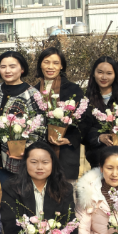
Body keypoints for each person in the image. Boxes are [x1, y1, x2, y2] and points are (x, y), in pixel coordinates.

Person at [0, 51, 46, 186]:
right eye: (3, 67)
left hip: (20, 159)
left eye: (12, 66)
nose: (7, 70)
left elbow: (40, 127)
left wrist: (26, 149)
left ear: (22, 69)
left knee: (22, 193)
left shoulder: (32, 94)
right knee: (6, 193)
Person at [32, 48, 85, 182]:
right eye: (46, 62)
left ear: (61, 66)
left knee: (66, 192)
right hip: (38, 155)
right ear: (40, 64)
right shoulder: (32, 91)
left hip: (66, 154)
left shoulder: (73, 89)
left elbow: (85, 120)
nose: (50, 67)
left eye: (55, 63)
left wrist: (70, 139)